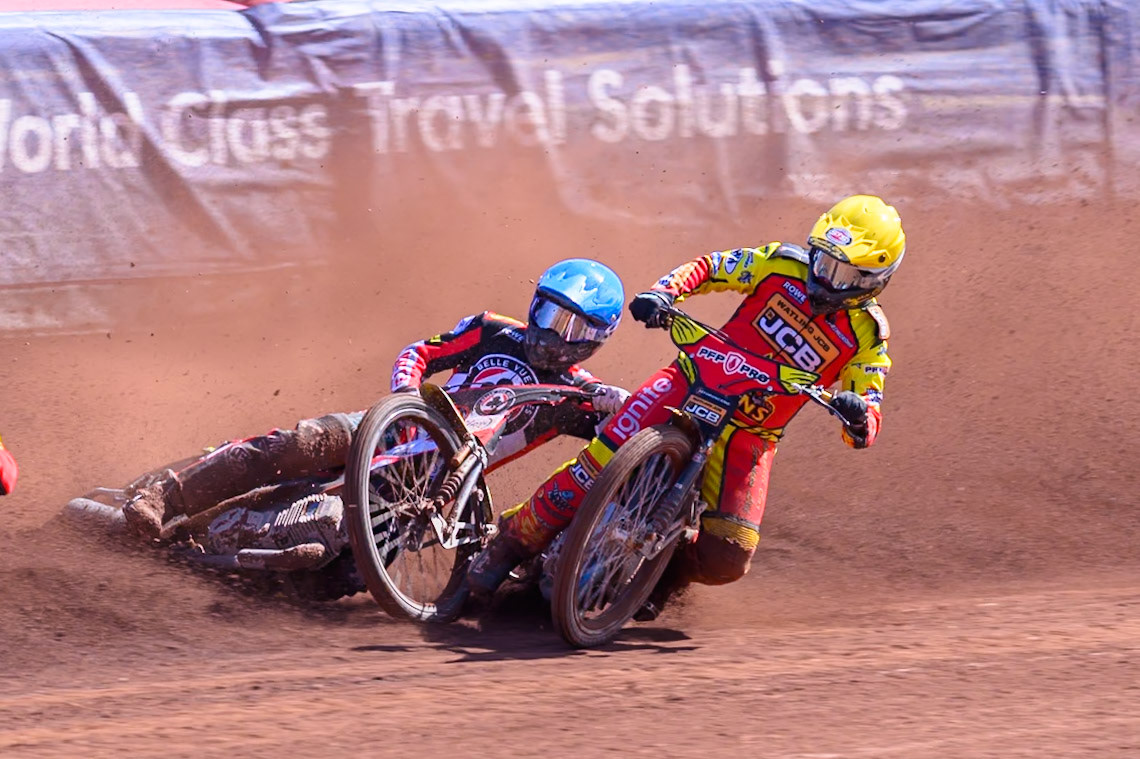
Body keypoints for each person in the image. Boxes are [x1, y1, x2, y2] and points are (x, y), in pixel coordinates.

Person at [467, 195, 904, 619]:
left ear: (873, 280)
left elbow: (869, 409)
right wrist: (664, 293)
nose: (824, 278)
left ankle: (660, 579)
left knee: (728, 556)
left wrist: (858, 416)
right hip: (689, 378)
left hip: (751, 434)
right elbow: (711, 267)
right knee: (597, 463)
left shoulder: (868, 335)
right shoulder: (781, 263)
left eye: (841, 273)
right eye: (822, 261)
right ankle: (511, 542)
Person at [122, 258, 631, 539]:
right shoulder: (493, 331)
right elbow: (421, 352)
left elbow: (630, 434)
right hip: (392, 426)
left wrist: (627, 404)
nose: (549, 332)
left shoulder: (577, 397)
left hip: (427, 488)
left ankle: (225, 549)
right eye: (545, 313)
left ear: (594, 338)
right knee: (300, 443)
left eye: (569, 326)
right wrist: (405, 401)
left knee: (333, 559)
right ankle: (165, 494)